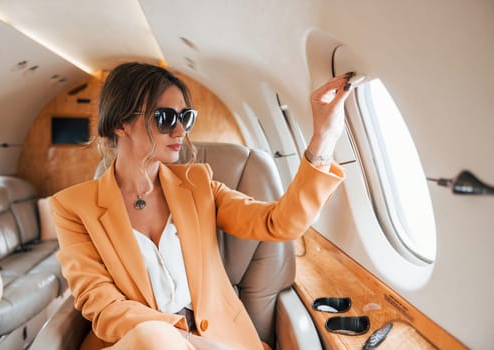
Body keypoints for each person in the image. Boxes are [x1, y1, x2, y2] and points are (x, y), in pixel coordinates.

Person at [50, 62, 352, 349]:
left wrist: (323, 139)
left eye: (186, 118)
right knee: (154, 339)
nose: (180, 131)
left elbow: (279, 222)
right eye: (165, 118)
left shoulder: (198, 185)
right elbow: (105, 307)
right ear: (121, 124)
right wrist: (190, 343)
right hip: (140, 344)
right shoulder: (73, 208)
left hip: (221, 337)